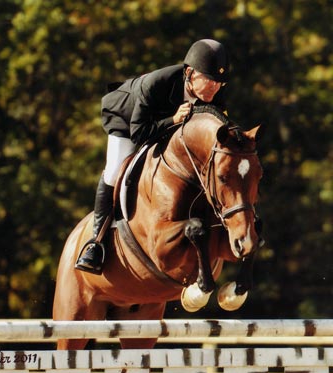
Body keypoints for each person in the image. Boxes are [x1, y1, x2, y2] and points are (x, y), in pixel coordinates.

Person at [75, 38, 229, 274]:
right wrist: (173, 120)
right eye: (208, 80)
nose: (214, 88)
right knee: (114, 171)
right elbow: (139, 134)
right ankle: (95, 243)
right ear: (189, 73)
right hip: (127, 122)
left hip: (165, 126)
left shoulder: (214, 94)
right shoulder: (157, 84)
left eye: (219, 82)